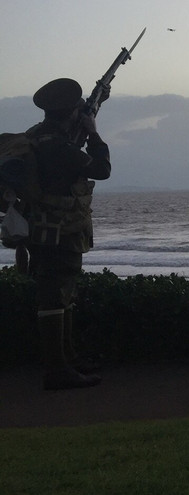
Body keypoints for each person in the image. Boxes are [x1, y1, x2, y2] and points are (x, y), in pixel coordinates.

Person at [21, 78, 111, 390]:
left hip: (46, 227)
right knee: (54, 297)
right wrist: (95, 132)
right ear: (70, 112)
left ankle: (67, 359)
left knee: (62, 294)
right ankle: (57, 369)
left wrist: (96, 105)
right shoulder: (58, 147)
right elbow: (102, 169)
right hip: (58, 228)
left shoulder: (38, 136)